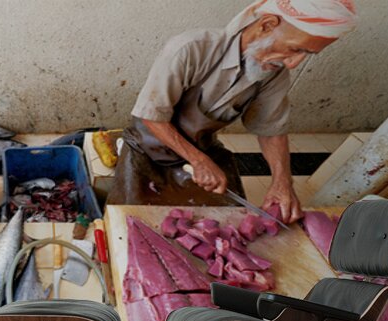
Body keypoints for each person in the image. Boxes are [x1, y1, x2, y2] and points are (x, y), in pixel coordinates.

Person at [108, 0, 357, 223]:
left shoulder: (274, 73)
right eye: (295, 49)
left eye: (308, 55)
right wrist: (198, 161)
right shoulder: (192, 49)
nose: (293, 63)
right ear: (267, 25)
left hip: (204, 147)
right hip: (146, 148)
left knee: (230, 222)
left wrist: (282, 182)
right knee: (132, 222)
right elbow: (151, 116)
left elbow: (270, 130)